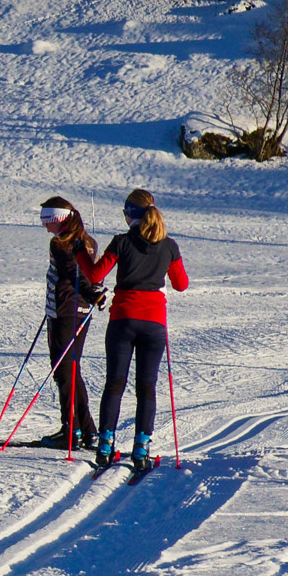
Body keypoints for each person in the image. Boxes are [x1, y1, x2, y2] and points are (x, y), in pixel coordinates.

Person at [77, 189, 187, 469]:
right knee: (146, 385)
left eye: (125, 212)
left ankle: (105, 446)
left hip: (123, 319)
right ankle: (141, 448)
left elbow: (95, 274)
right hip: (154, 323)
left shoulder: (121, 242)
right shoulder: (169, 245)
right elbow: (181, 284)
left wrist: (79, 251)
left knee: (115, 382)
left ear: (130, 215)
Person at [36, 198, 103, 450]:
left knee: (64, 372)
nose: (45, 228)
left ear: (57, 219)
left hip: (64, 312)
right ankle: (88, 431)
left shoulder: (61, 242)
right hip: (80, 312)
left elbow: (71, 272)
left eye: (46, 221)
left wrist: (90, 293)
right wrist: (93, 293)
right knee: (71, 371)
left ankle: (71, 431)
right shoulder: (88, 240)